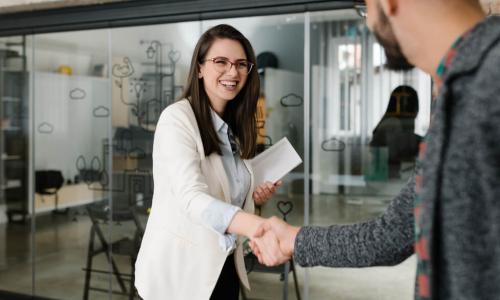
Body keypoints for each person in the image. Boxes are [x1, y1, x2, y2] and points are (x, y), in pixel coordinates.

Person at [251, 1, 500, 299]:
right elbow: (392, 236)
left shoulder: (490, 79)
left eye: (366, 6)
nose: (369, 21)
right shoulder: (456, 92)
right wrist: (295, 239)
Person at [134, 24, 282, 300]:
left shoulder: (234, 125)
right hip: (181, 274)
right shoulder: (177, 119)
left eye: (241, 64)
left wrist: (254, 194)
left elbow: (225, 193)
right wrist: (256, 226)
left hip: (223, 265)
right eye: (221, 62)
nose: (232, 72)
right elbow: (192, 197)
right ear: (200, 68)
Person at [370, 85, 422, 178]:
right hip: (383, 183)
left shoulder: (392, 122)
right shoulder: (392, 123)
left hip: (389, 180)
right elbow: (398, 150)